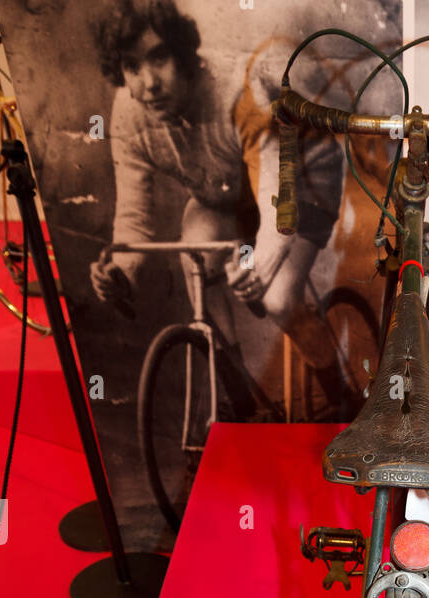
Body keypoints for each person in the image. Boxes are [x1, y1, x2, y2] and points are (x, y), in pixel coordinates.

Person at [89, 0, 354, 411]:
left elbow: (276, 201)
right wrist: (121, 272)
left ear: (182, 53)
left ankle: (343, 398)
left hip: (300, 182)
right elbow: (133, 217)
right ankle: (244, 402)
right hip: (226, 194)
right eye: (131, 66)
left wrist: (261, 264)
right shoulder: (128, 112)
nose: (148, 84)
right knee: (196, 262)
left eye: (159, 58)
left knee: (279, 300)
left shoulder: (238, 91)